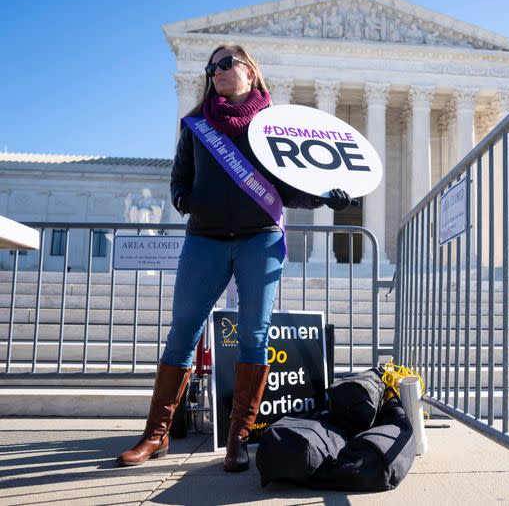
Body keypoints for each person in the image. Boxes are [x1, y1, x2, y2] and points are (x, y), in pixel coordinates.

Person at [116, 44, 352, 472]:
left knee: (254, 334)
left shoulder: (275, 125)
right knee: (183, 330)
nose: (217, 72)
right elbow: (179, 177)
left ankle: (238, 440)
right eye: (212, 67)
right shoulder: (196, 124)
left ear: (249, 70)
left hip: (258, 239)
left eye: (226, 64)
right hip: (205, 238)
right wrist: (187, 200)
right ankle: (157, 433)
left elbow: (288, 187)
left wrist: (324, 198)